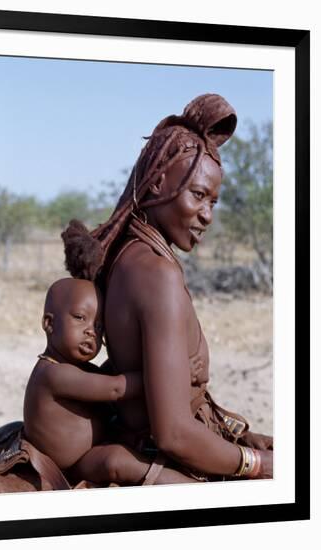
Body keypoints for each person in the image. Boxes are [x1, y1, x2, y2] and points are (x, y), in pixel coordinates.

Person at [62, 93, 273, 481]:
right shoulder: (156, 273)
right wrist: (257, 465)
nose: (207, 215)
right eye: (198, 195)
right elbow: (173, 433)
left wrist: (240, 438)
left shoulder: (129, 254)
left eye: (214, 201)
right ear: (158, 182)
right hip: (158, 452)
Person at [22, 277, 196, 486]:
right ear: (49, 323)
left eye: (98, 326)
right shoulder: (53, 374)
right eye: (79, 318)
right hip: (72, 464)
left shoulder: (76, 368)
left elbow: (106, 378)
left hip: (91, 449)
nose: (91, 331)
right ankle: (193, 490)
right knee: (115, 461)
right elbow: (115, 388)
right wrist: (170, 374)